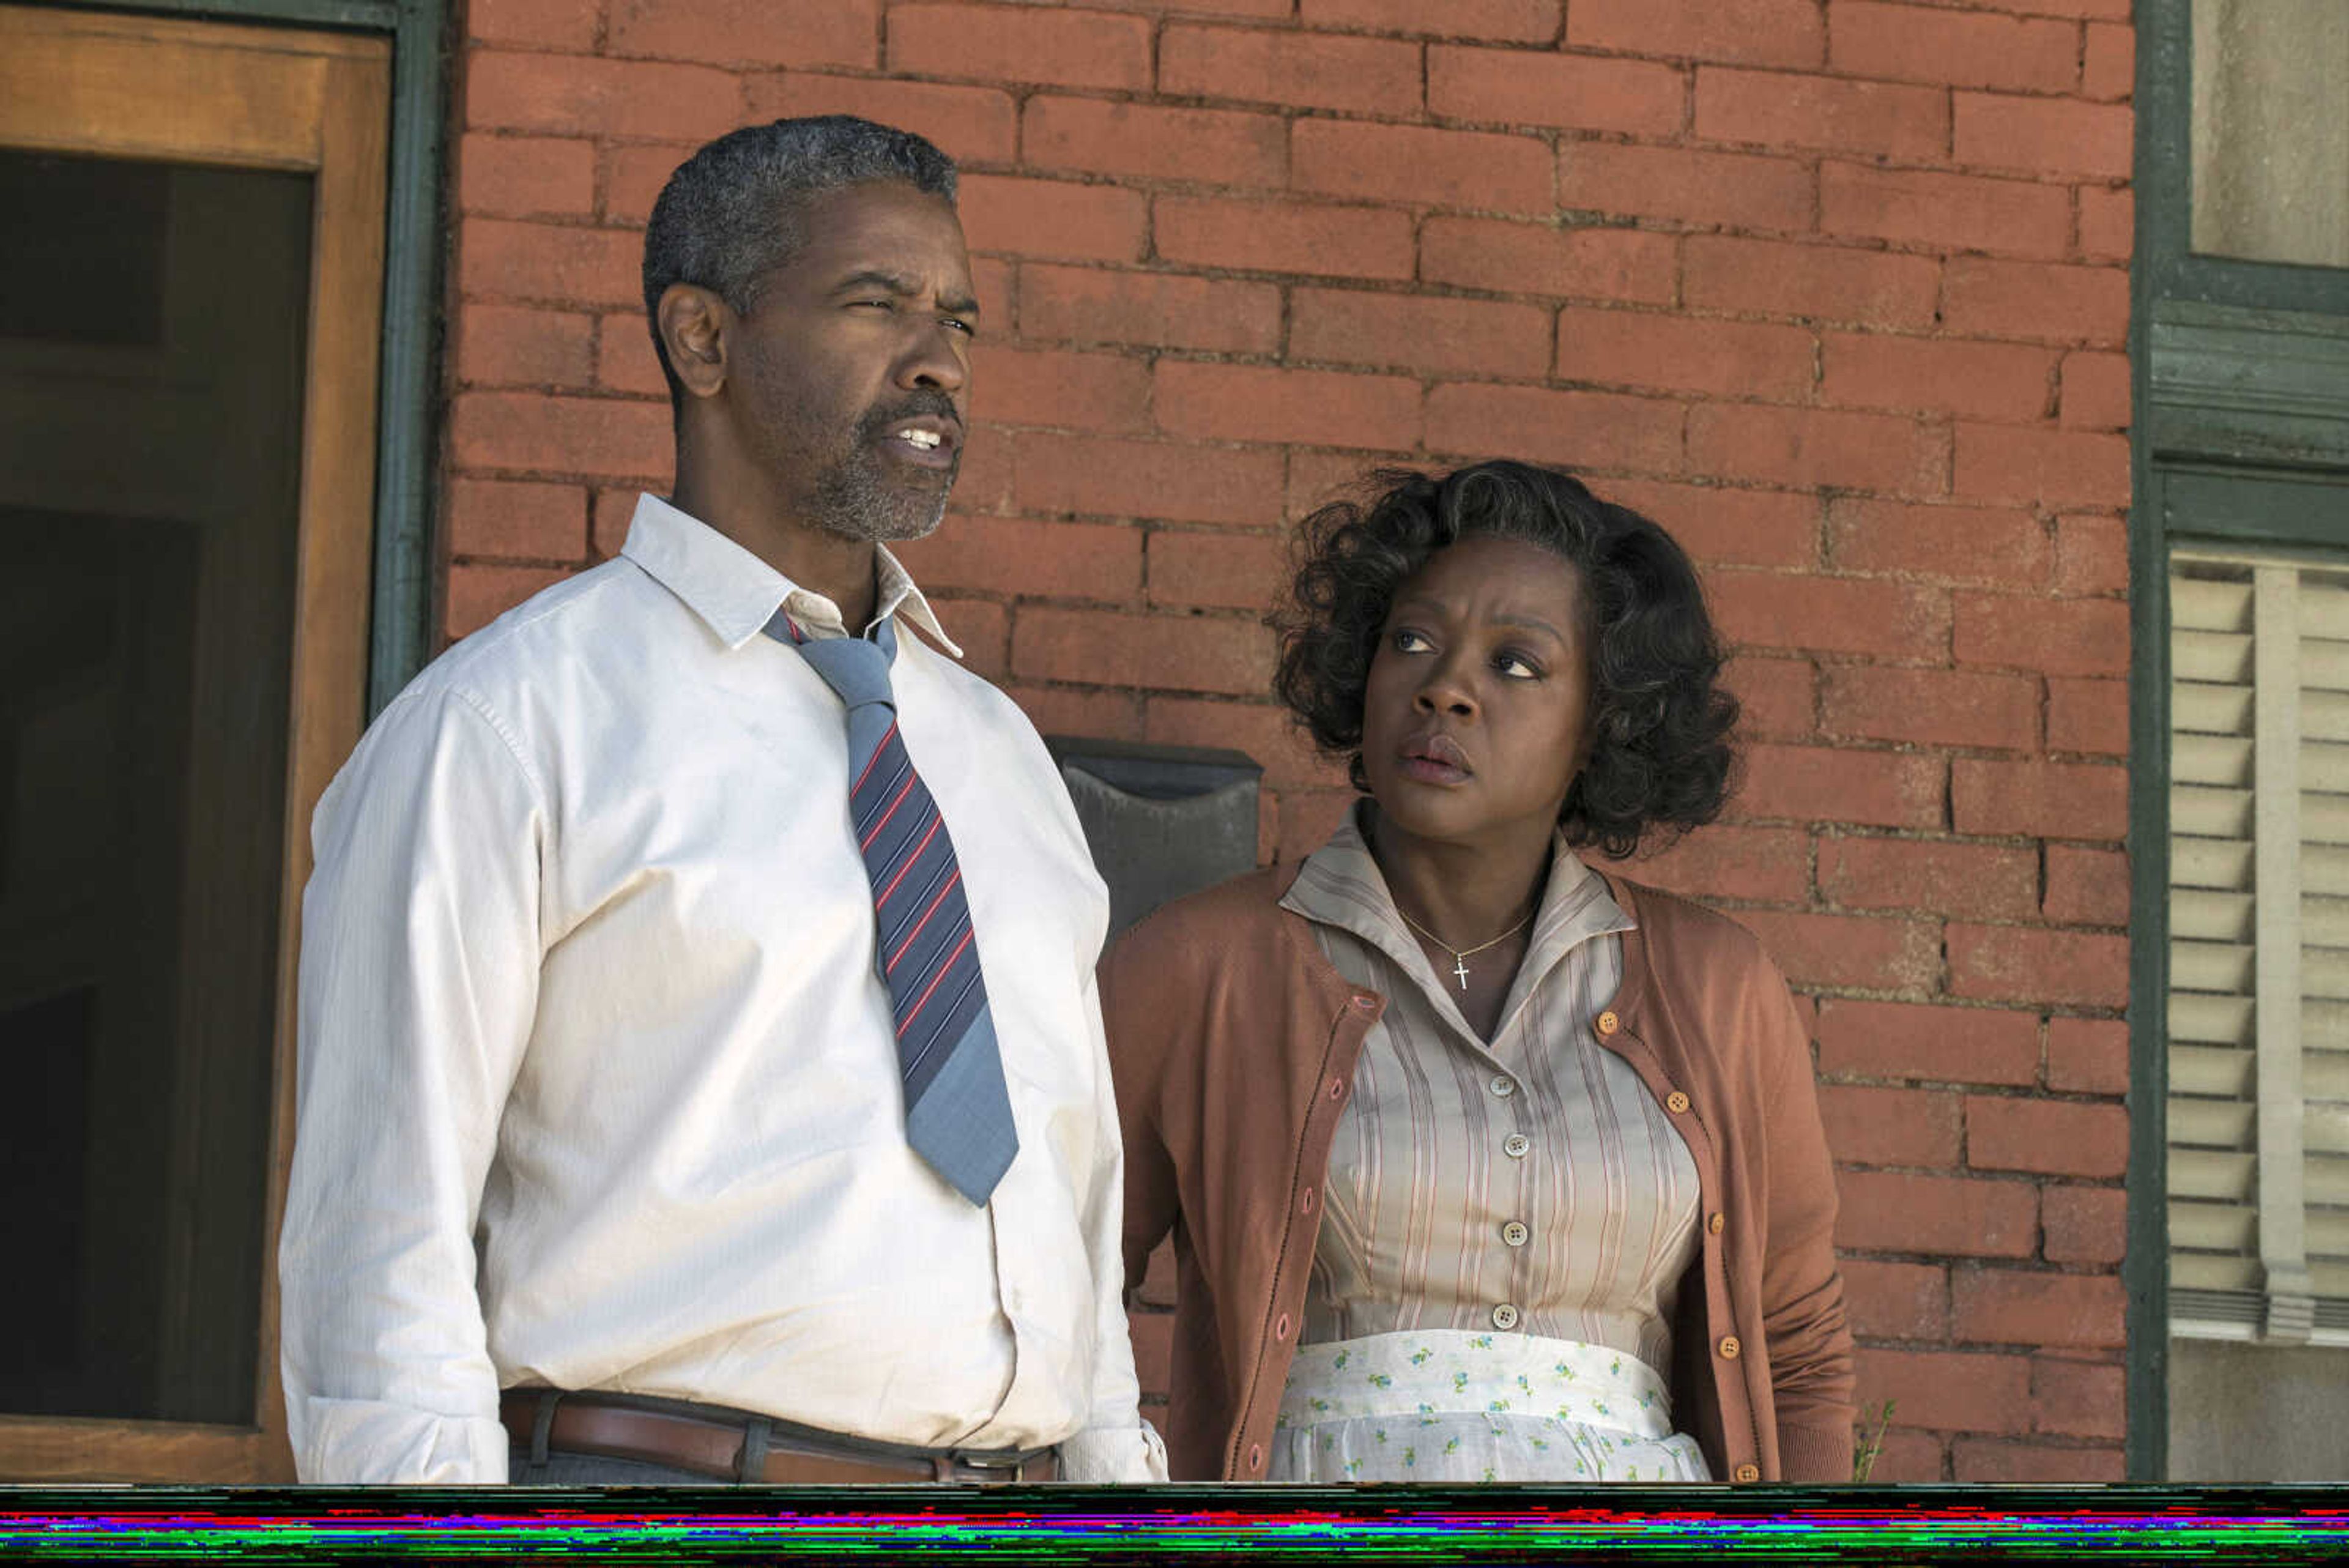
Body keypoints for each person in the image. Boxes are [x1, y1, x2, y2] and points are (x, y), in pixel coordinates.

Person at [278, 116, 1165, 1486]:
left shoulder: (998, 759)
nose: (937, 359)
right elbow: (380, 1242)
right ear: (702, 340)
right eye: (877, 303)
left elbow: (1073, 1195)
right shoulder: (507, 730)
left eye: (960, 322)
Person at [1104, 461, 1853, 1484]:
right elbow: (1061, 1287)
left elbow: (1796, 1344)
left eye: (1516, 665)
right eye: (1412, 641)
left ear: (1603, 723)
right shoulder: (1204, 965)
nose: (1445, 688)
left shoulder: (1719, 989)